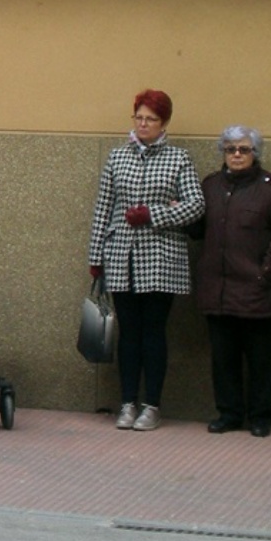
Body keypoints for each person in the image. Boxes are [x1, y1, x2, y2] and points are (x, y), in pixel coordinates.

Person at [88, 89, 204, 432]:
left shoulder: (179, 159)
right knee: (129, 333)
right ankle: (127, 402)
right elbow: (103, 209)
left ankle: (152, 404)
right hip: (122, 254)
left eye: (150, 119)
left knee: (154, 332)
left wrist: (153, 214)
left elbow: (196, 205)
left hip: (161, 257)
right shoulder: (117, 157)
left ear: (163, 123)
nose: (143, 124)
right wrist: (96, 256)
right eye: (138, 117)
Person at [190, 126, 271, 438]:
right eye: (230, 149)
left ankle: (260, 417)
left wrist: (266, 273)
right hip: (220, 292)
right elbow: (199, 229)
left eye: (243, 149)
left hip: (261, 294)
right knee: (223, 359)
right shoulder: (211, 186)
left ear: (256, 153)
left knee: (261, 362)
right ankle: (228, 414)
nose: (236, 155)